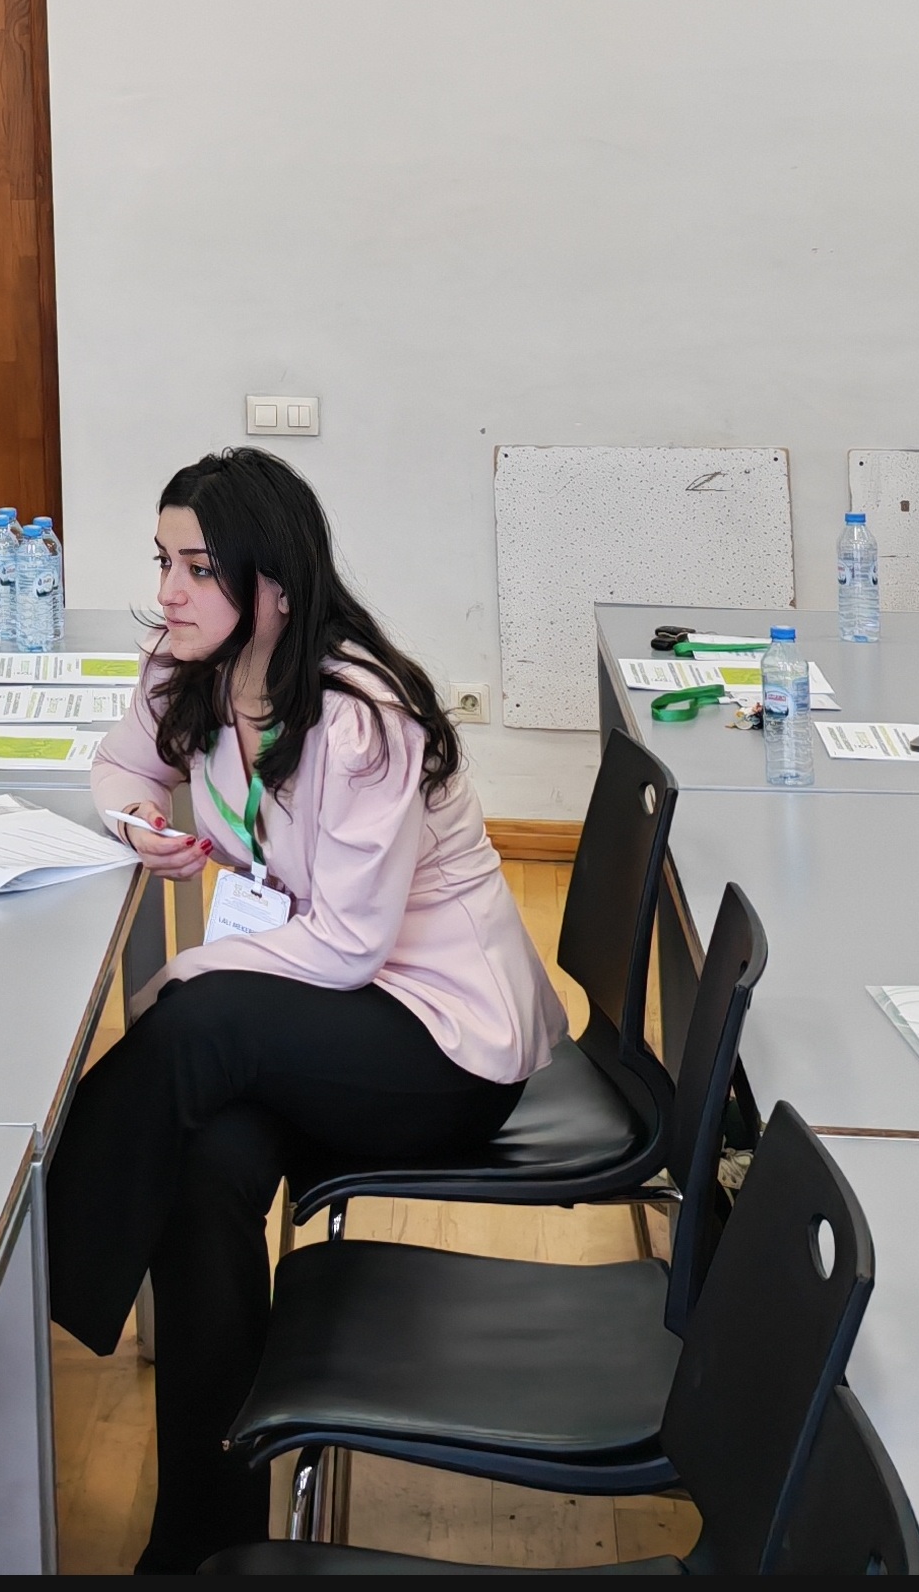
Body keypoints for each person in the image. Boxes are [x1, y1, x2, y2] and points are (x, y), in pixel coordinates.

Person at [46, 449, 565, 1573]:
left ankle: (39, 1250)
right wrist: (140, 826)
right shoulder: (186, 666)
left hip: (437, 1042)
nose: (169, 591)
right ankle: (204, 1543)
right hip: (307, 1024)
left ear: (273, 585)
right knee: (204, 1165)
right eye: (163, 561)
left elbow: (347, 945)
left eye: (198, 567)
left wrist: (189, 976)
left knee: (194, 1019)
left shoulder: (360, 715)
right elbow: (117, 770)